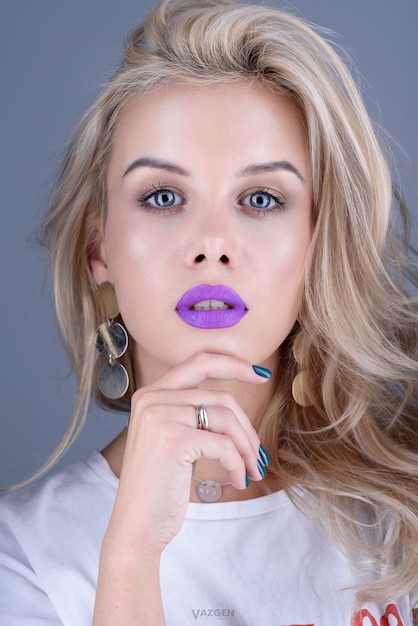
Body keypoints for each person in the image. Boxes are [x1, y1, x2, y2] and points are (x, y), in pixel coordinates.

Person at [0, 0, 417, 624]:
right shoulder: (23, 556)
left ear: (318, 243)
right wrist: (132, 554)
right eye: (163, 196)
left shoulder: (401, 516)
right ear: (99, 248)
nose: (212, 243)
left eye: (261, 197)